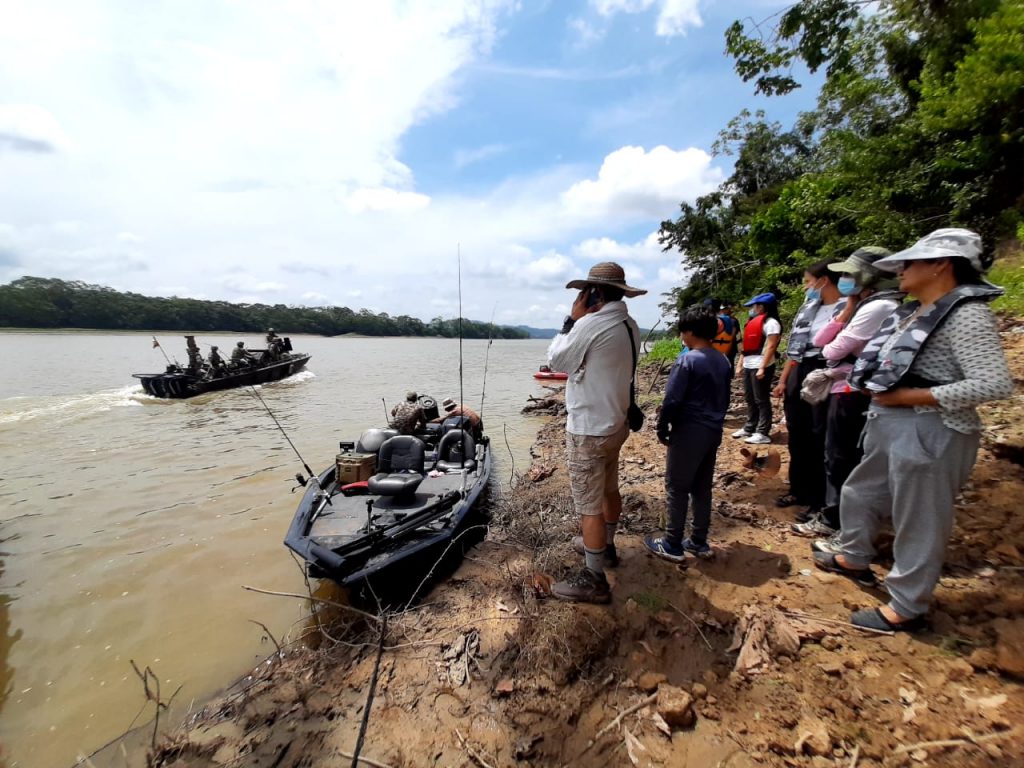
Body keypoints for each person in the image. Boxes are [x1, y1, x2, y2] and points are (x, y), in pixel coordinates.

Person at [812, 229, 1012, 632]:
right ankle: (855, 553)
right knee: (860, 490)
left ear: (941, 265)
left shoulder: (966, 314)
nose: (901, 270)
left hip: (931, 428)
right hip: (889, 422)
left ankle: (907, 605)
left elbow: (994, 382)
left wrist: (914, 398)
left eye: (911, 262)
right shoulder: (917, 311)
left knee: (919, 516)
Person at [546, 261, 645, 604]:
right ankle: (608, 546)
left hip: (589, 429)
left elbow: (557, 361)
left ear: (594, 294)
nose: (580, 298)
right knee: (608, 488)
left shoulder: (590, 324)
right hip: (616, 423)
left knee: (588, 504)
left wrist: (571, 320)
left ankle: (594, 577)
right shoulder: (629, 324)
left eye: (584, 293)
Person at [791, 247, 903, 538]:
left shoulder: (879, 307)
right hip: (842, 383)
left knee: (839, 455)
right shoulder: (860, 306)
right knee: (831, 451)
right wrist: (848, 310)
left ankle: (835, 520)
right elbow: (819, 340)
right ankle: (830, 513)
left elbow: (831, 349)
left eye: (849, 274)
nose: (844, 279)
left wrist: (844, 320)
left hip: (852, 388)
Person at [645, 305, 732, 562]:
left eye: (682, 330)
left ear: (691, 332)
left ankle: (672, 544)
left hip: (690, 431)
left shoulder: (688, 359)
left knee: (677, 486)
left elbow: (672, 399)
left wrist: (663, 426)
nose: (681, 335)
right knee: (702, 487)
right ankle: (698, 541)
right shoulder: (722, 360)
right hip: (712, 430)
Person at [772, 261, 843, 521]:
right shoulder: (808, 308)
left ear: (824, 280)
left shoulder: (847, 308)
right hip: (800, 369)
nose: (806, 287)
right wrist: (784, 380)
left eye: (808, 281)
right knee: (798, 434)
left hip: (825, 371)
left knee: (820, 436)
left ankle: (820, 500)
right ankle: (799, 489)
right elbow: (795, 351)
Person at [731, 293, 782, 445]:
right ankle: (749, 427)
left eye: (755, 306)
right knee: (750, 398)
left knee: (761, 399)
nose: (752, 309)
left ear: (763, 307)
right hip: (749, 364)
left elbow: (771, 346)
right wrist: (740, 365)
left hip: (762, 365)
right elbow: (746, 348)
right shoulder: (752, 323)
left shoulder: (772, 323)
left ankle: (762, 432)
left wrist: (762, 367)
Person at [706, 298, 740, 374]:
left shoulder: (732, 321)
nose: (723, 310)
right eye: (722, 309)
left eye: (725, 309)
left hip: (728, 348)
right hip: (720, 348)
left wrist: (726, 353)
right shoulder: (720, 320)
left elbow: (734, 337)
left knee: (726, 368)